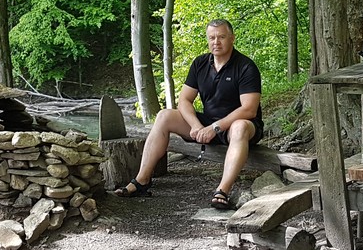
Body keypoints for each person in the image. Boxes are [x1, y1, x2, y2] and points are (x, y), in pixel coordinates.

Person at [113, 18, 263, 209]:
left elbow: (249, 109)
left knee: (240, 126)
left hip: (242, 126)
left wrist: (214, 128)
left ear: (232, 38)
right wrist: (196, 126)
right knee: (164, 116)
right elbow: (184, 100)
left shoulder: (246, 67)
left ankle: (222, 190)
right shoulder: (200, 63)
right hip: (208, 123)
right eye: (212, 38)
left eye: (222, 37)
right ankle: (142, 181)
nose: (216, 42)